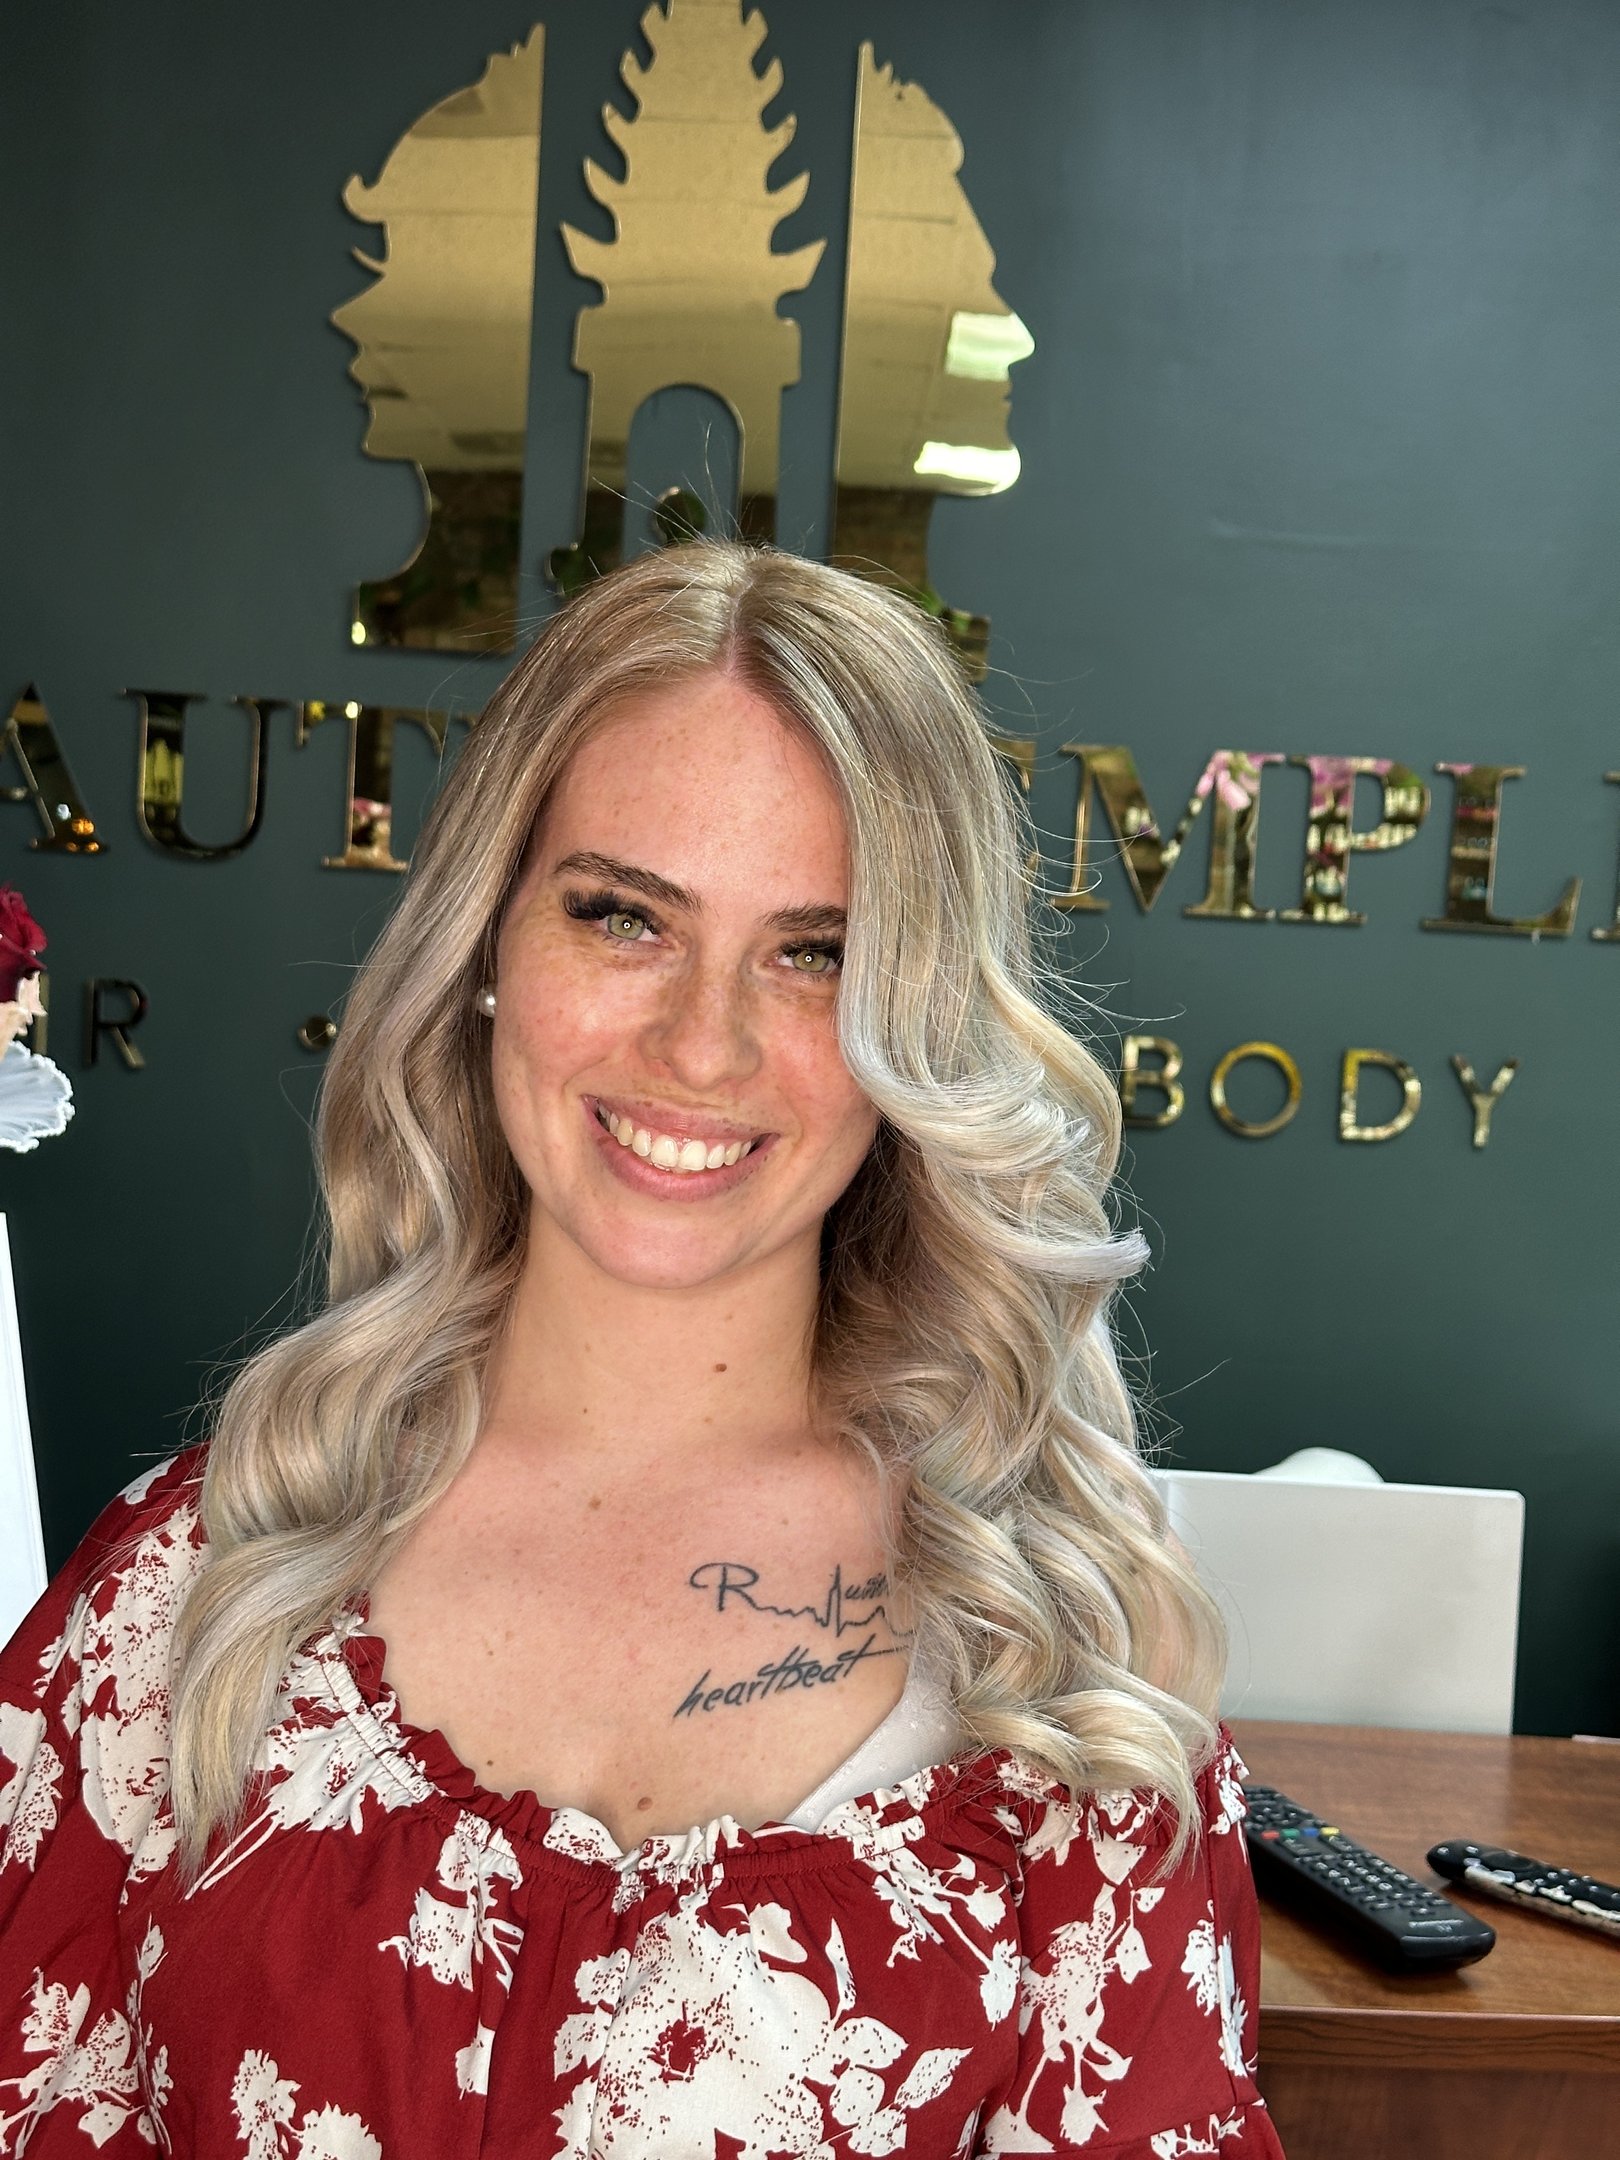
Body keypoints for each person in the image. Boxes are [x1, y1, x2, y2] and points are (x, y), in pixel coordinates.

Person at [0, 542, 1285, 2157]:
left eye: (815, 952)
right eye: (623, 917)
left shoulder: (1062, 1667)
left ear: (920, 1024)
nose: (702, 1045)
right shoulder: (194, 1589)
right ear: (488, 942)